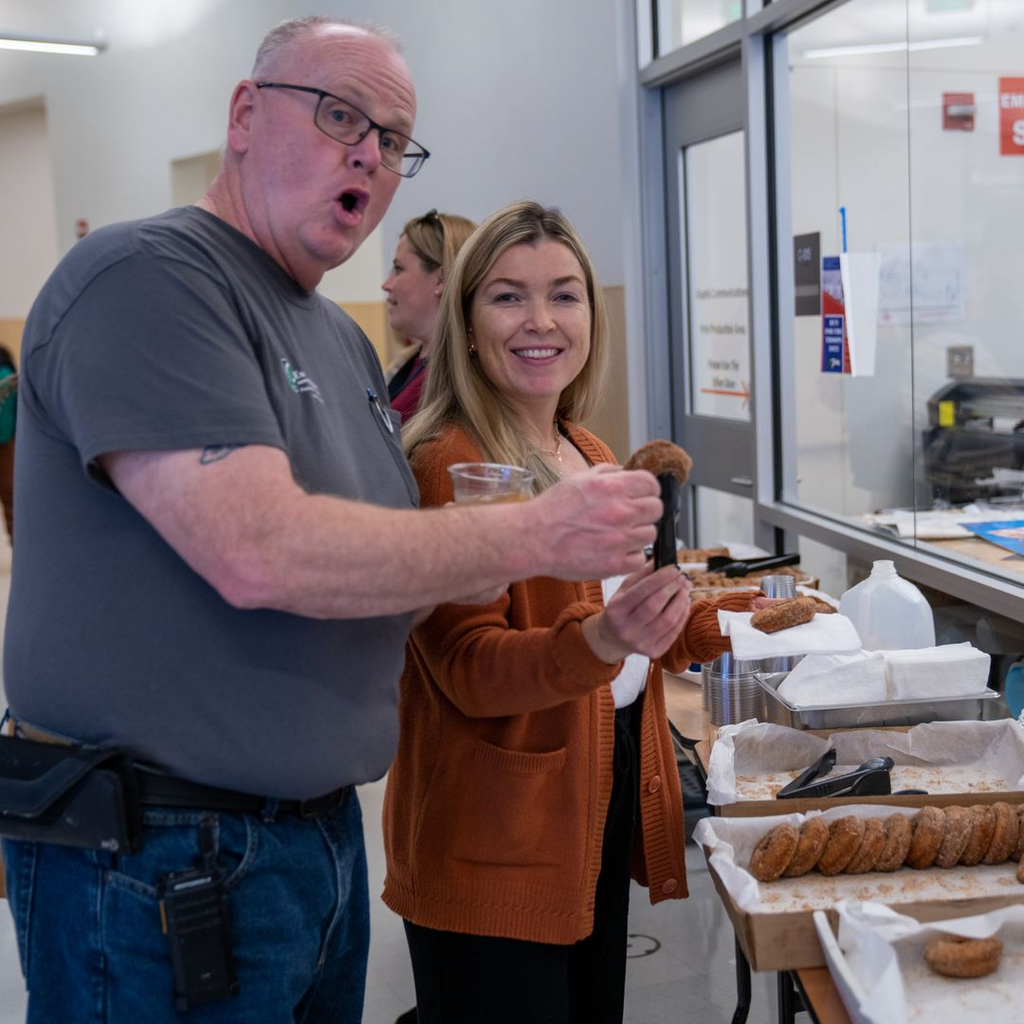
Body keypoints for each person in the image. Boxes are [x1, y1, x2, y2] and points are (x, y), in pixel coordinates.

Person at [2, 20, 667, 1024]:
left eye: (394, 140)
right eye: (339, 115)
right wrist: (532, 537)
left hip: (312, 843)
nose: (369, 153)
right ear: (243, 114)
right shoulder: (148, 280)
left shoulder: (333, 335)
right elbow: (256, 550)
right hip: (155, 856)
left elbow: (400, 576)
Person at [382, 201, 766, 1024]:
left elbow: (628, 625)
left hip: (591, 805)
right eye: (508, 296)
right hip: (494, 839)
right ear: (467, 319)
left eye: (564, 295)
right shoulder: (449, 461)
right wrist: (603, 637)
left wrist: (744, 624)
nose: (541, 321)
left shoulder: (585, 449)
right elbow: (472, 671)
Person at [383, 209, 476, 422]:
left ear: (441, 279)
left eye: (398, 269)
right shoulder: (413, 361)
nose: (386, 285)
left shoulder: (457, 379)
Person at [0, 345, 16, 542]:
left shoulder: (7, 377)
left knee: (11, 498)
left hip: (7, 444)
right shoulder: (9, 375)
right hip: (8, 443)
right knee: (11, 499)